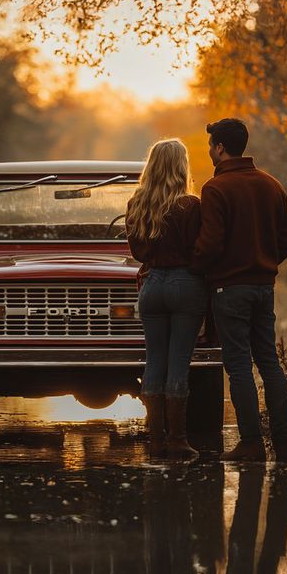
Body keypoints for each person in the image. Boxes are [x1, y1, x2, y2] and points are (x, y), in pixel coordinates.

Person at [192, 118, 287, 462]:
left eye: (211, 146)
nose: (209, 151)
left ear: (220, 147)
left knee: (238, 365)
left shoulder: (216, 189)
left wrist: (197, 269)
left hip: (229, 290)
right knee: (269, 363)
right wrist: (262, 261)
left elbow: (210, 246)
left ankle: (251, 442)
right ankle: (283, 443)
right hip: (264, 288)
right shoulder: (272, 185)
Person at [125, 138, 207, 458]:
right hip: (185, 284)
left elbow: (136, 253)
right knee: (178, 365)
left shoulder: (137, 203)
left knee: (154, 362)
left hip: (152, 285)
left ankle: (155, 440)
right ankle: (178, 441)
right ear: (180, 165)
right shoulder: (191, 205)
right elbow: (198, 251)